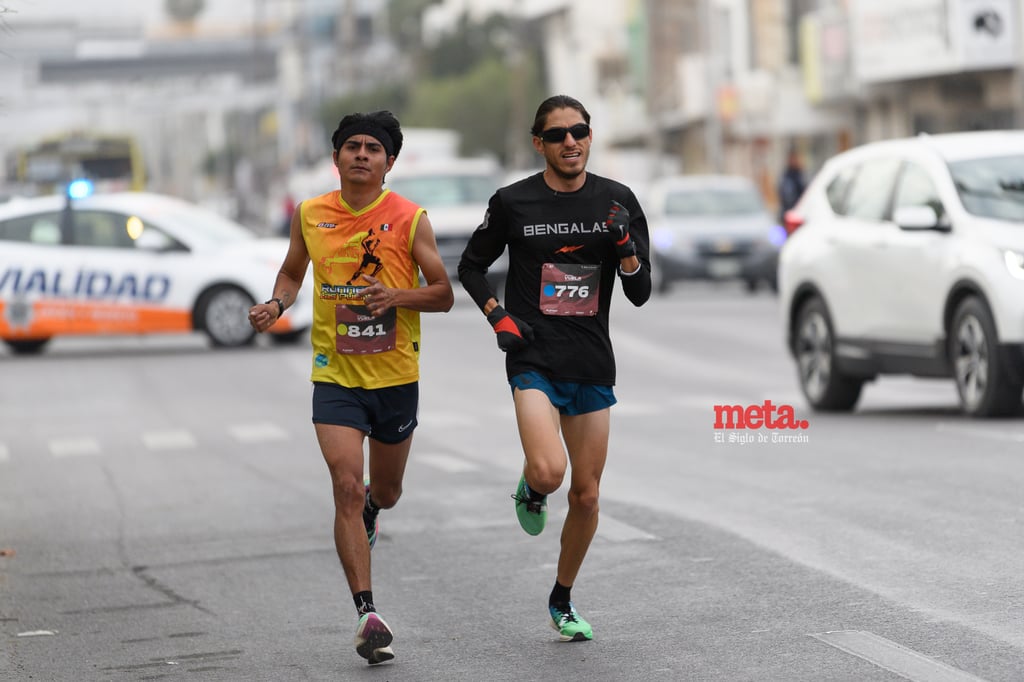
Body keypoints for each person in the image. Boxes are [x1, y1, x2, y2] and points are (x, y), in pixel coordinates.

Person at [248, 110, 454, 666]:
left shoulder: (411, 219)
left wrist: (396, 297)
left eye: (373, 148)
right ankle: (367, 614)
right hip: (335, 375)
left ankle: (374, 511)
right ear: (336, 157)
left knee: (383, 492)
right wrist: (277, 302)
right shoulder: (310, 215)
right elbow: (293, 272)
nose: (362, 154)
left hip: (394, 377)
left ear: (389, 162)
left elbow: (442, 293)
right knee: (345, 484)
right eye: (352, 146)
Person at [457, 95, 652, 642]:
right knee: (549, 472)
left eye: (580, 131)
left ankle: (562, 597)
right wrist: (498, 316)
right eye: (558, 134)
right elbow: (471, 267)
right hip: (533, 356)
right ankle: (531, 484)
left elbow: (640, 293)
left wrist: (626, 248)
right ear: (538, 143)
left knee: (587, 496)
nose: (571, 142)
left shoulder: (618, 201)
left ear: (590, 137)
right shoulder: (514, 202)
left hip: (590, 359)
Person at [777, 148, 807, 222]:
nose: (794, 161)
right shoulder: (786, 176)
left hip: (800, 211)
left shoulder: (800, 174)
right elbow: (785, 195)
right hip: (789, 211)